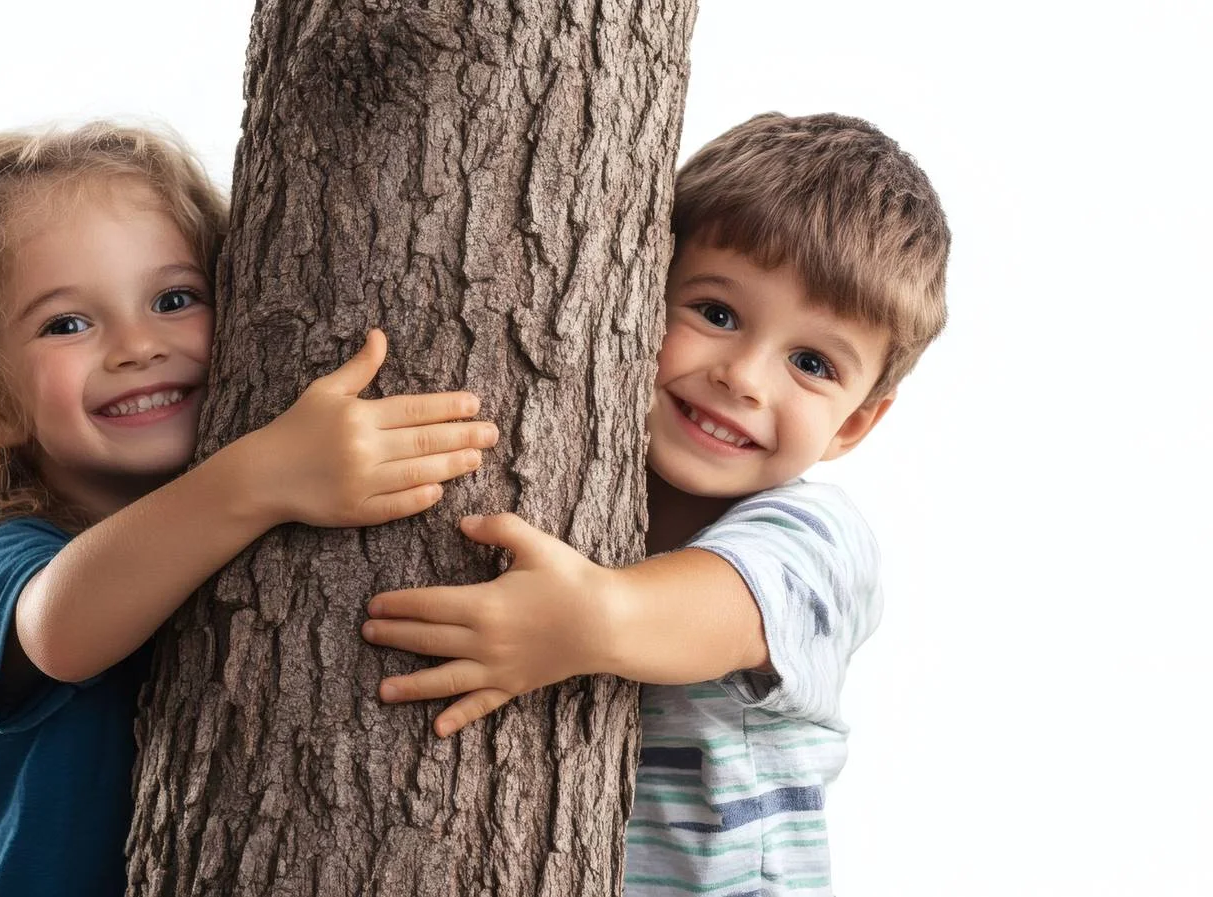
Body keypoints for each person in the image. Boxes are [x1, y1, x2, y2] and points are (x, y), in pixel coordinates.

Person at [0, 121, 499, 897]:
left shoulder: (231, 546)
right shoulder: (2, 559)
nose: (136, 344)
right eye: (68, 323)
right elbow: (61, 625)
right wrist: (259, 477)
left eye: (173, 298)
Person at [360, 112, 949, 895]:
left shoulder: (818, 538)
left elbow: (725, 604)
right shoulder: (579, 473)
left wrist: (588, 617)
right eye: (716, 313)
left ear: (857, 423)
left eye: (810, 362)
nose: (743, 376)